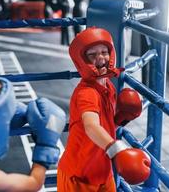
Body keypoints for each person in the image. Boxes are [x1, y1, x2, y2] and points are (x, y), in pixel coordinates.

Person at [57, 27, 151, 191]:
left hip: (102, 169)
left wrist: (121, 119)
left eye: (104, 52)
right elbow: (91, 126)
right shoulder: (86, 93)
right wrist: (117, 150)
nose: (100, 57)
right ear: (82, 61)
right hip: (80, 176)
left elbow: (104, 125)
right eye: (92, 55)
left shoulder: (108, 86)